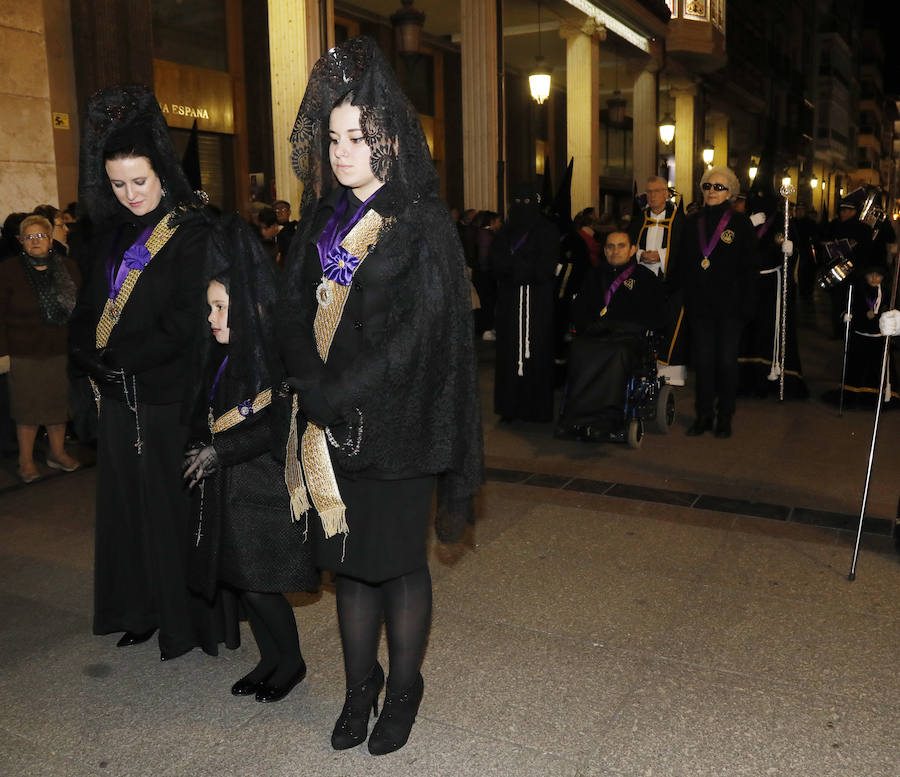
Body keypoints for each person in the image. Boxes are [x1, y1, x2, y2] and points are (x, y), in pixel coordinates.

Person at [276, 37, 482, 755]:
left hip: (400, 427)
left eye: (356, 138)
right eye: (332, 138)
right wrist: (310, 382)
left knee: (396, 563)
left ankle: (403, 689)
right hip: (331, 422)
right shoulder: (321, 220)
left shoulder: (420, 221)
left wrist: (338, 392)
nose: (340, 151)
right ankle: (358, 686)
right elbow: (292, 310)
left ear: (389, 139)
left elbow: (419, 337)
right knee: (350, 565)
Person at [69, 84, 236, 661]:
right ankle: (134, 608)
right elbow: (88, 308)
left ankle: (182, 620)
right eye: (118, 184)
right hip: (117, 395)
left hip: (168, 394)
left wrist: (119, 360)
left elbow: (185, 323)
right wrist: (87, 355)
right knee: (125, 506)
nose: (131, 194)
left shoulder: (193, 231)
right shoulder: (110, 234)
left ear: (162, 173)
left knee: (170, 509)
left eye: (139, 181)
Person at [182, 214, 318, 701]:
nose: (213, 319)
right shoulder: (226, 354)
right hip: (231, 489)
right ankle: (270, 659)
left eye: (221, 308)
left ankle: (292, 662)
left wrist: (222, 449)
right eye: (210, 308)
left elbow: (274, 425)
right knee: (243, 582)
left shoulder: (270, 358)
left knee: (262, 584)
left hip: (264, 491)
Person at [556, 229, 665, 441]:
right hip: (597, 335)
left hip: (628, 339)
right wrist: (590, 325)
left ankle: (606, 421)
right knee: (579, 349)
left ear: (633, 249)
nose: (615, 251)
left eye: (621, 245)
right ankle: (575, 419)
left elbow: (656, 316)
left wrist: (619, 325)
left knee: (615, 354)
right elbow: (578, 310)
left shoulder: (646, 278)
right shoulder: (593, 276)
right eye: (610, 246)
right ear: (604, 251)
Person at [679, 166, 760, 438]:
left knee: (726, 362)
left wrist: (747, 306)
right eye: (708, 186)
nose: (712, 191)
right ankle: (703, 415)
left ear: (731, 193)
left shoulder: (739, 223)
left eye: (719, 187)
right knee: (703, 363)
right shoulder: (692, 222)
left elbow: (750, 268)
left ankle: (725, 416)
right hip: (700, 307)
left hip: (730, 308)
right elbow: (683, 265)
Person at [0, 214, 81, 482]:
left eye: (41, 236)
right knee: (27, 408)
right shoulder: (8, 270)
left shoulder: (68, 267)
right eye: (29, 237)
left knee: (59, 404)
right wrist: (3, 352)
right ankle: (25, 460)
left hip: (60, 348)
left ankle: (56, 453)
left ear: (50, 239)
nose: (35, 242)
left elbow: (80, 310)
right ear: (20, 241)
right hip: (23, 351)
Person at [491, 184, 560, 422]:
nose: (522, 208)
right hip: (510, 301)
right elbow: (495, 263)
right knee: (509, 351)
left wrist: (518, 268)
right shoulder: (505, 233)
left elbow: (546, 266)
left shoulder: (547, 231)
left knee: (538, 351)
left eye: (527, 202)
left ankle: (537, 409)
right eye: (518, 202)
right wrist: (519, 269)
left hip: (537, 302)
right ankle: (509, 407)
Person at [737, 192, 808, 399]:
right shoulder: (742, 220)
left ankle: (773, 377)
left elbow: (796, 250)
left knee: (768, 331)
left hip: (772, 285)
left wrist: (791, 250)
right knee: (747, 333)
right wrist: (746, 227)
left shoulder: (782, 221)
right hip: (748, 284)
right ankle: (744, 378)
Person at [630, 175, 688, 386]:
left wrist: (661, 256)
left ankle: (670, 376)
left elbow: (684, 252)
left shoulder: (680, 221)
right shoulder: (639, 220)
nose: (652, 196)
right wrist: (640, 255)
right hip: (643, 284)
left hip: (670, 284)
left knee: (672, 328)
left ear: (666, 193)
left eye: (656, 191)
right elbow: (629, 246)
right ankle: (642, 370)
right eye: (649, 192)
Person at [823, 260, 898, 408]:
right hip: (860, 336)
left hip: (878, 338)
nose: (874, 279)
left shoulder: (888, 292)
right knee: (857, 367)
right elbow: (846, 306)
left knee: (876, 370)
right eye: (871, 275)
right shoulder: (857, 291)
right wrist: (847, 316)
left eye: (878, 276)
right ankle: (853, 392)